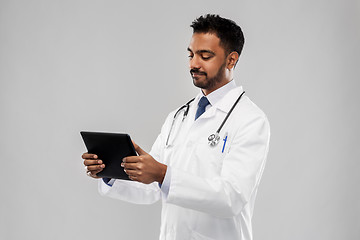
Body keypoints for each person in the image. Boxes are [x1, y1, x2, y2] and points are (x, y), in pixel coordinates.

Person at [82, 14, 270, 240]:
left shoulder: (250, 120)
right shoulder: (178, 117)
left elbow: (231, 198)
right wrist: (110, 171)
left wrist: (162, 173)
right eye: (191, 55)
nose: (194, 64)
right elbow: (153, 188)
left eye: (205, 56)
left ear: (231, 60)